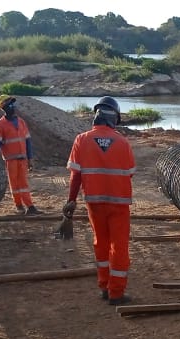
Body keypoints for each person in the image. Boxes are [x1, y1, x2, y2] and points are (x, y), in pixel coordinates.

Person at [64, 96, 136, 306]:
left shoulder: (81, 139)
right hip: (119, 203)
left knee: (100, 243)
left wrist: (71, 200)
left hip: (94, 203)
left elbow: (75, 176)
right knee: (119, 247)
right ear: (114, 118)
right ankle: (116, 293)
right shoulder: (123, 142)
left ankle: (104, 286)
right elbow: (130, 173)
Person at [0, 94, 41, 215]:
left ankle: (30, 206)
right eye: (9, 104)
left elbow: (28, 141)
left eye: (13, 104)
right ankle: (19, 205)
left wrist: (30, 158)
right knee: (14, 184)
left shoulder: (21, 122)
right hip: (10, 160)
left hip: (23, 158)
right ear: (3, 107)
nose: (13, 106)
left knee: (24, 183)